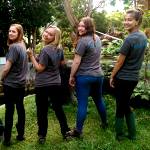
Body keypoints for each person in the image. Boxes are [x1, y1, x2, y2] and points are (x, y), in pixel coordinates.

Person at [27, 25, 70, 144]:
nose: (46, 34)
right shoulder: (59, 49)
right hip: (56, 83)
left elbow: (40, 68)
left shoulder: (46, 49)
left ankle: (42, 135)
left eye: (50, 34)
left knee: (42, 110)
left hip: (43, 84)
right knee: (58, 108)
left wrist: (31, 56)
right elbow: (62, 64)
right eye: (46, 32)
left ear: (55, 37)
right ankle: (66, 132)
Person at [109, 9, 147, 141]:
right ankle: (132, 134)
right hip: (134, 78)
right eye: (125, 19)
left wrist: (112, 75)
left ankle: (121, 135)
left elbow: (120, 61)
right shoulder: (143, 37)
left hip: (124, 78)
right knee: (124, 104)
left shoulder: (129, 39)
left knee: (121, 105)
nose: (126, 22)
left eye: (129, 20)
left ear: (137, 22)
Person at [68, 16, 107, 137]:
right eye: (79, 25)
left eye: (83, 26)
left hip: (84, 76)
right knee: (99, 100)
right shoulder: (97, 38)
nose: (80, 28)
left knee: (82, 104)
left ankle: (78, 131)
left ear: (88, 27)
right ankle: (105, 123)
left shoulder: (83, 41)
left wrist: (71, 75)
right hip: (98, 76)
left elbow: (76, 62)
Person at [1, 24, 28, 146]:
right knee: (20, 109)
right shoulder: (22, 45)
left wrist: (0, 78)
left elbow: (6, 68)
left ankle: (7, 139)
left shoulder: (13, 48)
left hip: (11, 84)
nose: (10, 33)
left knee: (9, 112)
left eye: (14, 31)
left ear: (19, 34)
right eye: (9, 31)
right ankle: (21, 135)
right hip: (21, 84)